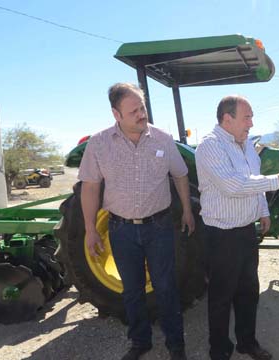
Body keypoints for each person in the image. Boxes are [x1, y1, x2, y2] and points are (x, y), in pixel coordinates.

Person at [79, 83, 194, 360]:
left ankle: (176, 345)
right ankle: (140, 342)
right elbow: (90, 187)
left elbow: (180, 175)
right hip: (121, 229)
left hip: (159, 227)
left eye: (142, 108)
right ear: (116, 114)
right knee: (131, 290)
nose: (141, 115)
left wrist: (188, 211)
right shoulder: (99, 143)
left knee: (166, 287)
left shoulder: (163, 139)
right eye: (134, 111)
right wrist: (90, 229)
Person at [195, 95, 279, 360]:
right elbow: (233, 186)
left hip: (245, 232)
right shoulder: (210, 146)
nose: (252, 123)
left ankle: (247, 342)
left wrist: (263, 211)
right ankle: (219, 350)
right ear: (227, 119)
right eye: (247, 117)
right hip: (222, 235)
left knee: (248, 292)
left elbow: (252, 182)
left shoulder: (245, 146)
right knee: (221, 297)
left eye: (252, 117)